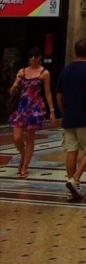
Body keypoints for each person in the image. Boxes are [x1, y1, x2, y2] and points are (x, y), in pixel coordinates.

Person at [56, 39, 86, 200]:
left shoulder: (65, 70)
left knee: (71, 150)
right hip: (85, 116)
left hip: (69, 116)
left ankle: (72, 186)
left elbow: (59, 94)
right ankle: (75, 179)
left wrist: (63, 111)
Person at [8, 47, 56, 178]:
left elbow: (47, 93)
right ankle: (23, 156)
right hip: (21, 107)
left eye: (35, 56)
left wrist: (51, 110)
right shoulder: (22, 71)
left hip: (35, 108)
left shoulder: (44, 73)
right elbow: (11, 92)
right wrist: (17, 82)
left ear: (40, 57)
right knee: (17, 138)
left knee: (30, 138)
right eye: (31, 56)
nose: (33, 58)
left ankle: (24, 166)